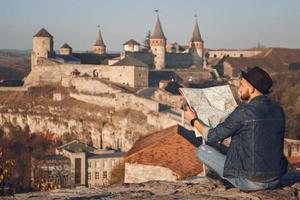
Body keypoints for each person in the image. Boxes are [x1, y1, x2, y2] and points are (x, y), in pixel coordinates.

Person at [185, 66, 288, 191]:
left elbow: (212, 136)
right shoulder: (278, 109)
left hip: (251, 182)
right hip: (276, 178)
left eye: (242, 86)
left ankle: (221, 182)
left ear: (251, 89)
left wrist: (193, 120)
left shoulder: (244, 111)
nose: (239, 89)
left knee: (202, 150)